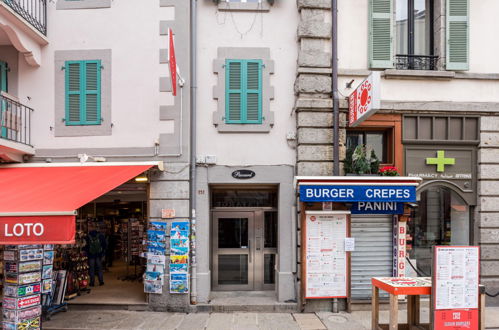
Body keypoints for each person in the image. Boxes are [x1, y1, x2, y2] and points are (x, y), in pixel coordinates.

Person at [84, 222, 107, 287]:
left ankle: (92, 282)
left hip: (91, 255)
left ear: (90, 228)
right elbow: (104, 245)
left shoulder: (87, 236)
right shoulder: (100, 235)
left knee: (92, 269)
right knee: (99, 268)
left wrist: (87, 253)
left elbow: (85, 246)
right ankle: (101, 281)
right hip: (99, 255)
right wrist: (103, 253)